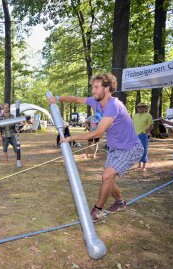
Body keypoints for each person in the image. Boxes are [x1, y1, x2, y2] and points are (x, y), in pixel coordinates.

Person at [48, 73, 144, 222]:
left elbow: (98, 132)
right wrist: (57, 98)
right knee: (109, 178)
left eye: (96, 87)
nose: (93, 90)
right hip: (115, 149)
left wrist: (71, 138)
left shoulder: (113, 105)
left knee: (106, 176)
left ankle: (97, 210)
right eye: (93, 87)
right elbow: (76, 99)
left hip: (131, 148)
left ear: (107, 87)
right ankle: (120, 202)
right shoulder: (96, 102)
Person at [132, 103, 154, 171]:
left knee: (144, 149)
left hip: (143, 135)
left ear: (145, 108)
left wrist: (144, 132)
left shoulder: (148, 115)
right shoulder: (135, 116)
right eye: (138, 107)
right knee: (137, 150)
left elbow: (151, 126)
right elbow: (132, 125)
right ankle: (139, 164)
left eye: (142, 107)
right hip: (135, 135)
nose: (140, 108)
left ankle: (144, 166)